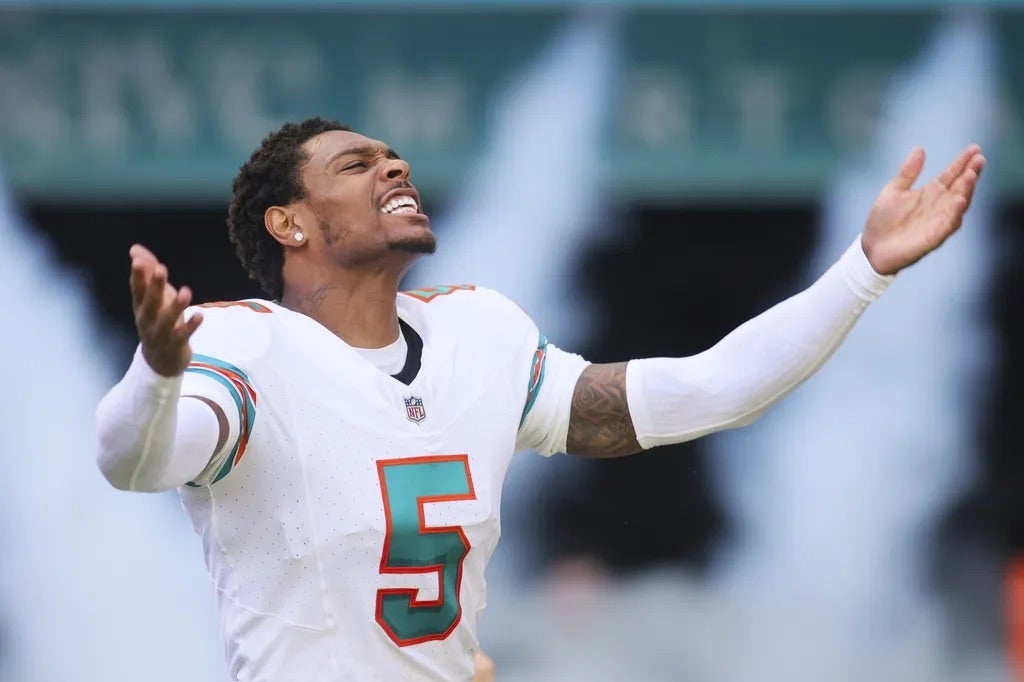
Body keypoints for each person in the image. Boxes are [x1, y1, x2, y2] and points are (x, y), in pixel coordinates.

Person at [94, 117, 984, 681]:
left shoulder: (479, 334)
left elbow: (710, 389)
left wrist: (861, 272)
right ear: (289, 223)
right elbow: (132, 461)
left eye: (395, 156)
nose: (394, 167)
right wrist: (158, 373)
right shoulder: (241, 341)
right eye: (357, 163)